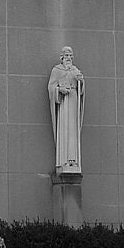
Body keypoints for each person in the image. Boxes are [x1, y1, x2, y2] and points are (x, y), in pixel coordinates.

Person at [47, 46, 85, 174]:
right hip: (64, 103)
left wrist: (81, 82)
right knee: (64, 130)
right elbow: (51, 88)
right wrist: (59, 90)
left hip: (73, 101)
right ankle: (63, 159)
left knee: (72, 131)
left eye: (70, 55)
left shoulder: (75, 71)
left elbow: (81, 90)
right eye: (66, 55)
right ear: (62, 57)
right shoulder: (56, 71)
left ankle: (73, 159)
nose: (68, 58)